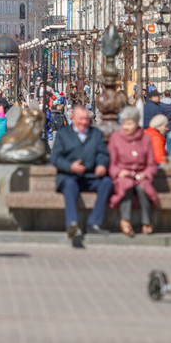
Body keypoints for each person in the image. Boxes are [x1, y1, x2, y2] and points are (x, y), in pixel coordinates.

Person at [50, 105, 112, 247]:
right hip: (69, 176)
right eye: (81, 119)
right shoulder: (64, 134)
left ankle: (94, 223)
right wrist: (70, 166)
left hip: (91, 176)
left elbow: (103, 153)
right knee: (70, 185)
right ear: (73, 119)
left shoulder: (96, 134)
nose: (84, 122)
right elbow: (55, 158)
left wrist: (102, 165)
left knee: (107, 182)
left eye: (86, 119)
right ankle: (73, 224)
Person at [108, 106, 159, 236]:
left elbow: (151, 164)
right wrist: (119, 172)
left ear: (137, 123)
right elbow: (112, 163)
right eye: (124, 123)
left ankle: (147, 221)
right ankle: (125, 220)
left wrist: (146, 174)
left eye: (129, 123)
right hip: (124, 175)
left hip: (140, 176)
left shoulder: (146, 139)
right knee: (126, 185)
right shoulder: (115, 138)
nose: (126, 127)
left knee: (143, 187)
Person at [159, 90, 171, 155]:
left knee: (162, 142)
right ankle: (169, 157)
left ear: (164, 95)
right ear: (170, 95)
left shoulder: (161, 104)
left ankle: (162, 155)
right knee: (169, 143)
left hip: (162, 125)